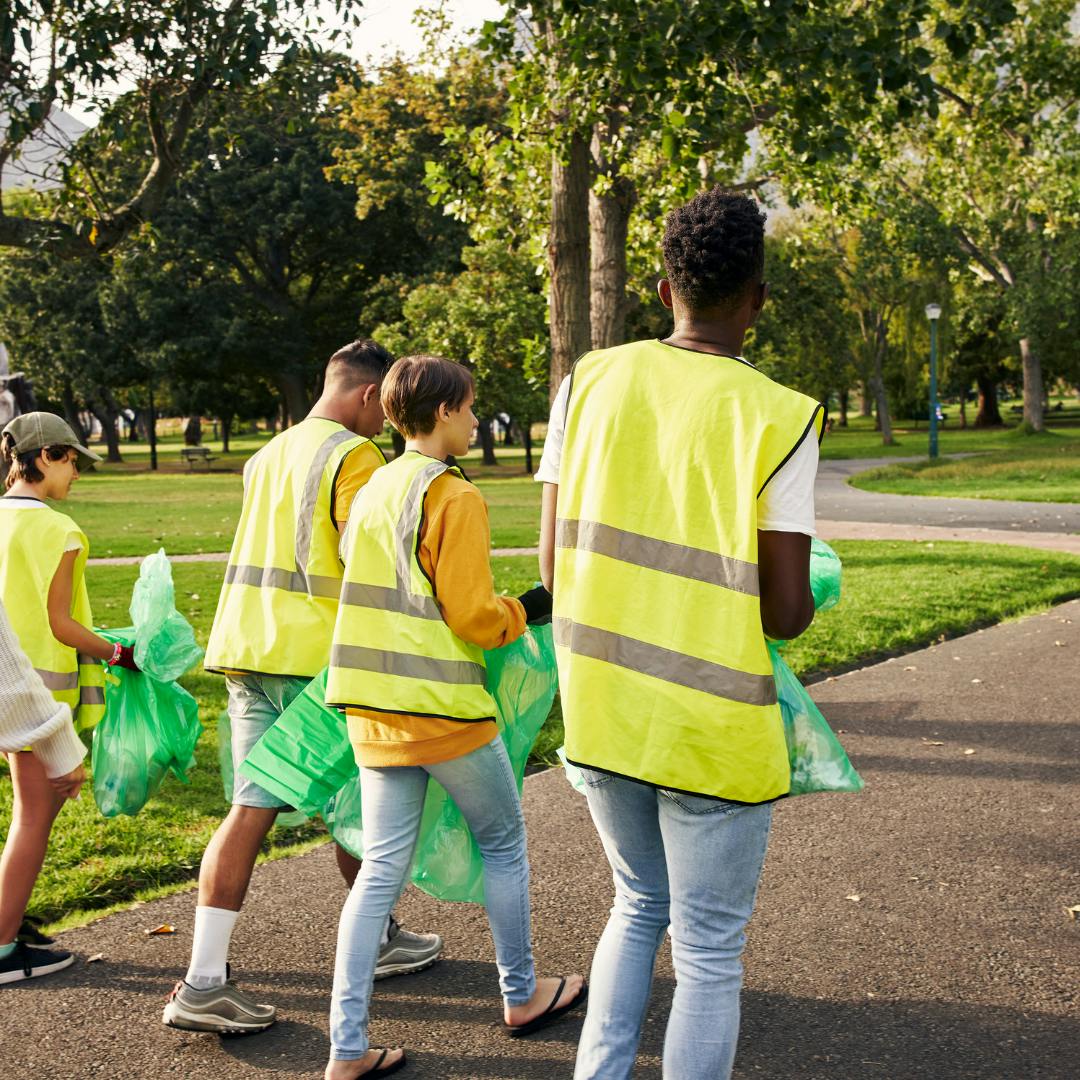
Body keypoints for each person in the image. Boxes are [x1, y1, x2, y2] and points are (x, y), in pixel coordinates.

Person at [537, 188, 824, 1080]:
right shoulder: (780, 414)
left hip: (603, 706)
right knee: (707, 952)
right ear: (758, 298)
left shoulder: (586, 381)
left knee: (634, 905)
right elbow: (784, 613)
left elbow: (553, 566)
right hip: (710, 726)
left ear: (663, 289)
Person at [163, 341, 442, 1036]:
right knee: (361, 802)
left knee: (251, 812)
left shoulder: (271, 452)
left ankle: (204, 979)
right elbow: (365, 555)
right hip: (314, 658)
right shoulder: (353, 455)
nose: (387, 424)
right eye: (385, 408)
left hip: (246, 648)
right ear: (368, 396)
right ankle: (373, 942)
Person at [322, 355, 585, 1078]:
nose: (476, 420)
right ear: (443, 413)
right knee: (502, 843)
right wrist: (531, 606)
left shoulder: (375, 487)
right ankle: (523, 994)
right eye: (470, 408)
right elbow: (471, 616)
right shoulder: (454, 497)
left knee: (379, 870)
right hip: (443, 711)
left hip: (371, 709)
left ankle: (346, 1048)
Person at [0, 413, 138, 983]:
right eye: (73, 459)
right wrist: (119, 653)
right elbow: (61, 626)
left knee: (26, 814)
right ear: (48, 455)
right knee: (34, 819)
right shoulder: (60, 531)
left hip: (3, 690)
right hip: (35, 703)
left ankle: (9, 919)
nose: (76, 472)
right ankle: (3, 947)